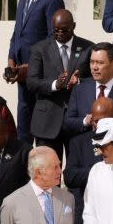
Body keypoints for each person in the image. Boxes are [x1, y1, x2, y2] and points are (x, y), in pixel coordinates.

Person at [7, 0, 65, 144]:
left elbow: (53, 37)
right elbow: (17, 33)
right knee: (23, 124)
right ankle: (23, 168)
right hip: (21, 74)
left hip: (40, 73)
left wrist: (31, 66)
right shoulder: (24, 0)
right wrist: (11, 59)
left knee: (40, 124)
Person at [26, 8, 93, 156]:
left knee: (77, 172)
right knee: (48, 172)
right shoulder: (39, 49)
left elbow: (95, 79)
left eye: (64, 30)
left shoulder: (88, 48)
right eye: (56, 30)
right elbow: (31, 82)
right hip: (47, 122)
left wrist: (80, 81)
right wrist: (55, 84)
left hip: (77, 120)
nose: (60, 34)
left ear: (73, 26)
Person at [62, 41, 113, 136]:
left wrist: (105, 123)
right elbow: (68, 122)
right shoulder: (80, 89)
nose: (94, 67)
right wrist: (85, 121)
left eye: (100, 63)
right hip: (84, 146)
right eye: (92, 62)